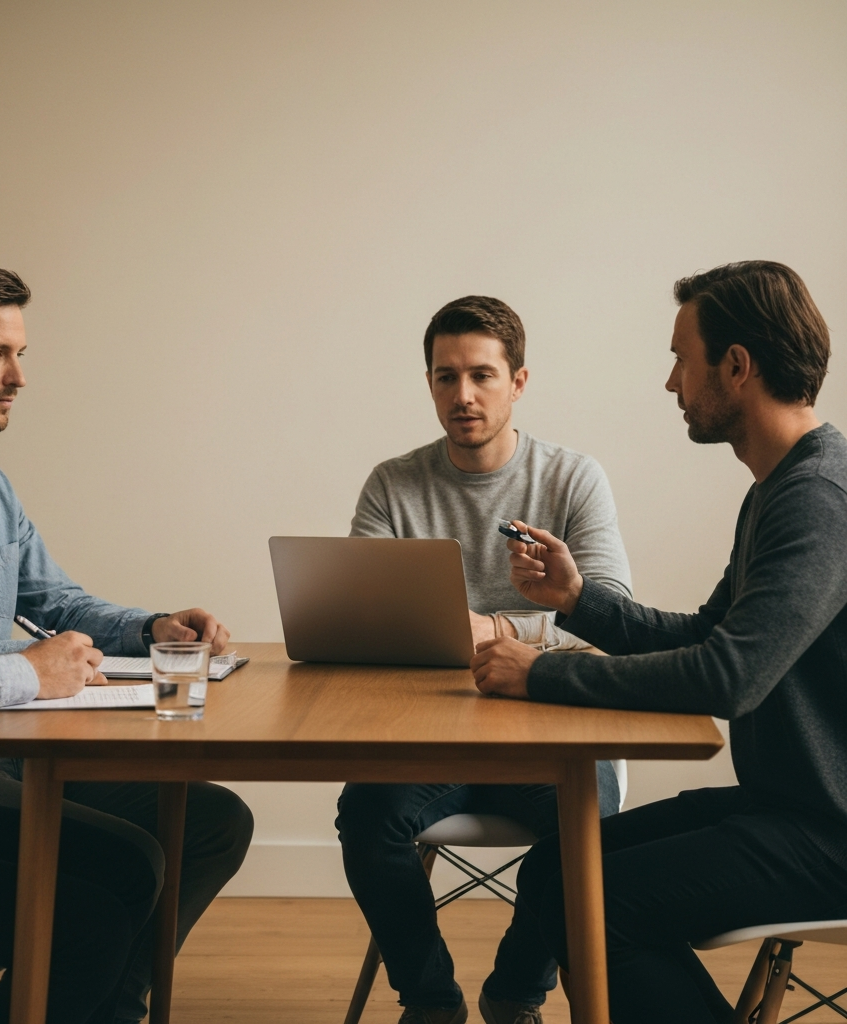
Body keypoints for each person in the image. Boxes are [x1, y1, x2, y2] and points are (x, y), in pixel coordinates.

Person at [0, 257, 253, 1023]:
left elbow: (50, 598)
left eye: (20, 355)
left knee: (213, 821)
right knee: (126, 864)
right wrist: (26, 667)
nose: (18, 377)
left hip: (17, 743)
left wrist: (151, 625)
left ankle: (107, 1008)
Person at [472, 261, 847, 1024]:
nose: (671, 383)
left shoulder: (819, 499)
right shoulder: (778, 489)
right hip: (787, 805)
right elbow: (711, 634)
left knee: (598, 904)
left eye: (682, 357)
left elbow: (729, 676)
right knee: (555, 872)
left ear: (736, 367)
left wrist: (541, 675)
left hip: (829, 829)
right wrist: (579, 600)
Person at [338, 295, 633, 1024]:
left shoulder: (572, 479)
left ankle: (515, 994)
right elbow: (362, 620)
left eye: (480, 375)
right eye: (444, 377)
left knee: (588, 817)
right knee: (366, 815)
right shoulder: (392, 485)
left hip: (550, 726)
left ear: (519, 381)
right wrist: (514, 627)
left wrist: (488, 628)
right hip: (425, 731)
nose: (461, 396)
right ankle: (432, 1001)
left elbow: (611, 616)